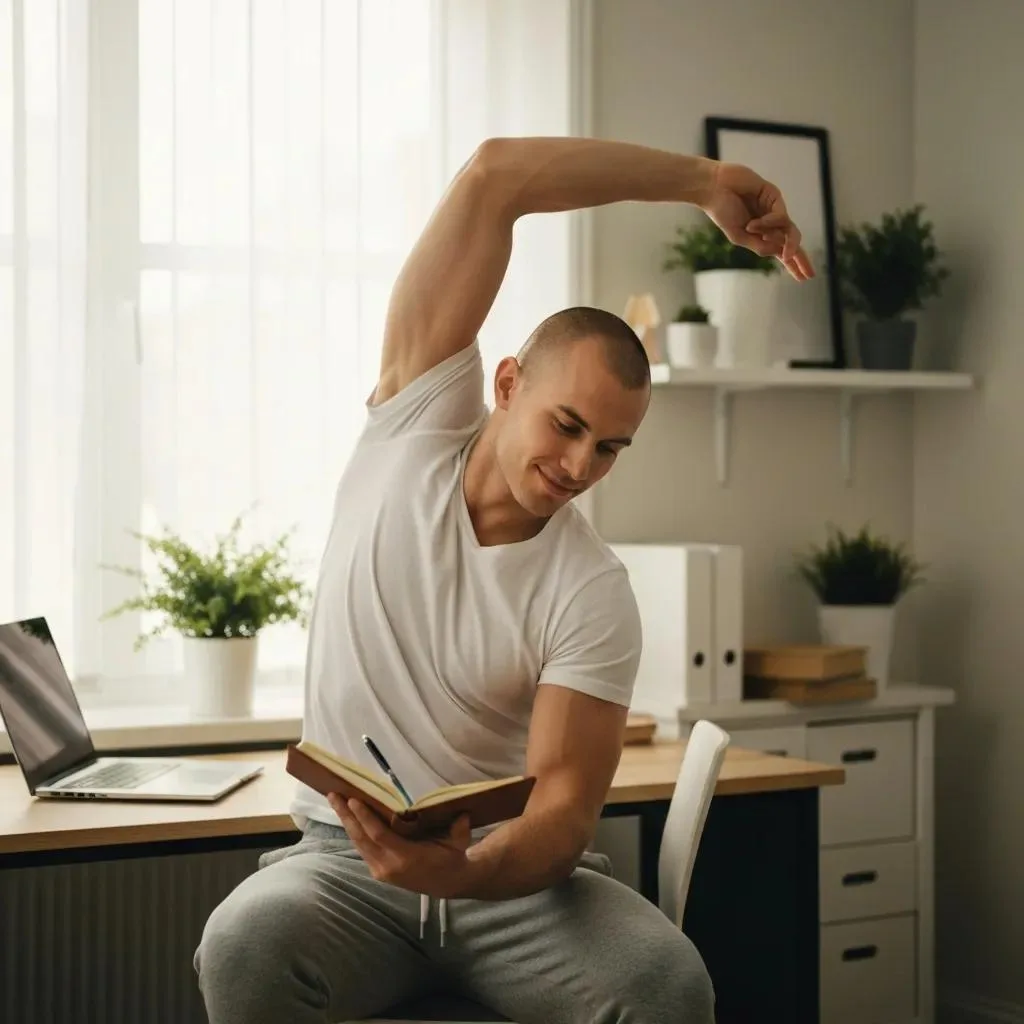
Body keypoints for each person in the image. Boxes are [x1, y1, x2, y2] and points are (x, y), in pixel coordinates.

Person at [194, 136, 813, 1024]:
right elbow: (495, 177)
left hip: (516, 889)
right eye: (565, 424)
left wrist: (470, 872)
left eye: (609, 448)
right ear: (508, 382)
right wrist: (706, 183)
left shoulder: (591, 590)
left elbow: (561, 815)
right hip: (342, 872)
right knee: (243, 946)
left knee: (669, 986)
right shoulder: (410, 424)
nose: (578, 465)